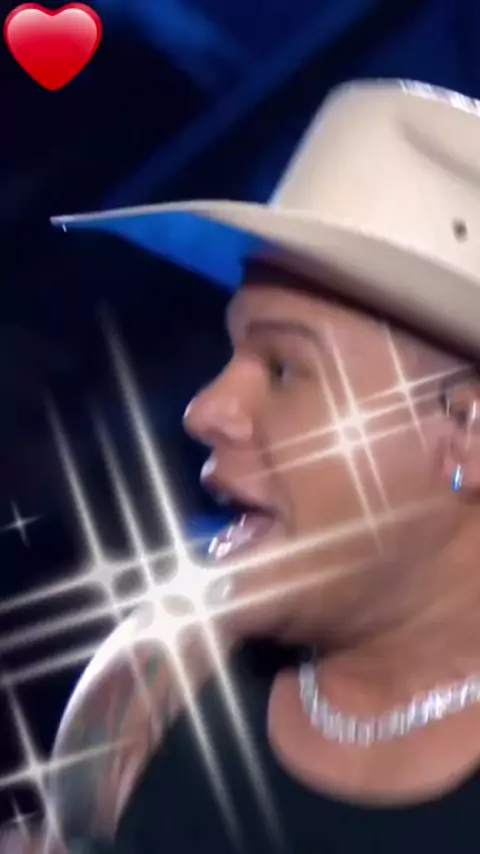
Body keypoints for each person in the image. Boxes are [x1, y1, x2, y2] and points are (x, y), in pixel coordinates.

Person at [7, 78, 480, 854]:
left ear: (467, 432)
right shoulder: (153, 684)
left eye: (285, 368)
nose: (207, 410)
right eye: (234, 353)